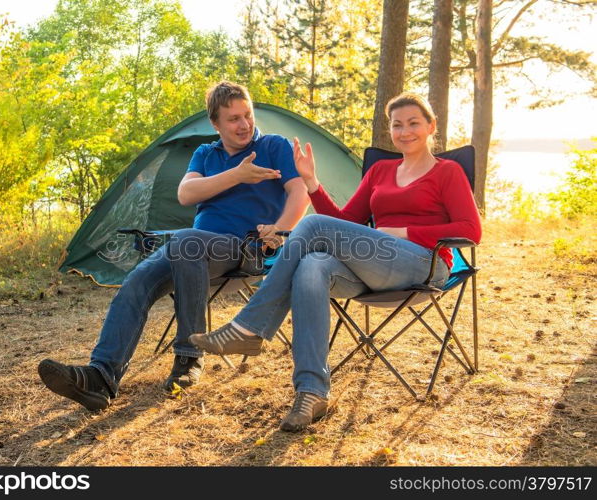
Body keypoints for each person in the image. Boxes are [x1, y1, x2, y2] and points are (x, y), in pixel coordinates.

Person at [190, 92, 482, 431]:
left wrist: (403, 231)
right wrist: (312, 183)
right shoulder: (381, 171)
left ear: (431, 126)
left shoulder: (447, 172)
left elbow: (471, 230)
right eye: (397, 125)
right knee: (313, 264)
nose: (405, 132)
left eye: (414, 123)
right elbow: (348, 222)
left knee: (311, 225)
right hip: (374, 266)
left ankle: (250, 326)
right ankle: (312, 393)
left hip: (424, 264)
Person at [38, 81, 309, 411]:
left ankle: (189, 356)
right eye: (233, 119)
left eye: (247, 115)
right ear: (216, 124)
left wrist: (280, 231)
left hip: (244, 248)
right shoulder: (206, 153)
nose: (244, 125)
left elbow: (299, 192)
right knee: (137, 281)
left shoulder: (273, 146)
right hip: (191, 249)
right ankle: (101, 377)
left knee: (186, 240)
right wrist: (236, 175)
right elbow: (186, 194)